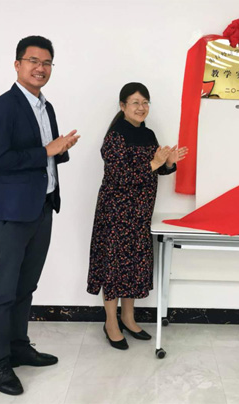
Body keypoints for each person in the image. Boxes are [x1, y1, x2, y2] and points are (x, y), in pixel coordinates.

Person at [0, 35, 80, 395]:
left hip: (42, 206)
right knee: (4, 290)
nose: (41, 68)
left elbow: (44, 155)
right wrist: (47, 151)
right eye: (33, 61)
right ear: (18, 64)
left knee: (26, 286)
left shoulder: (45, 107)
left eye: (47, 63)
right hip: (12, 213)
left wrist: (60, 149)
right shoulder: (3, 107)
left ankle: (19, 347)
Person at [87, 82, 187, 350]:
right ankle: (111, 322)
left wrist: (168, 163)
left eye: (145, 102)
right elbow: (119, 175)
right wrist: (154, 163)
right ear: (123, 106)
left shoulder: (148, 134)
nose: (141, 107)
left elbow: (155, 171)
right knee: (113, 266)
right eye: (135, 102)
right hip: (115, 213)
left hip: (140, 214)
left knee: (132, 265)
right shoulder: (115, 136)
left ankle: (128, 318)